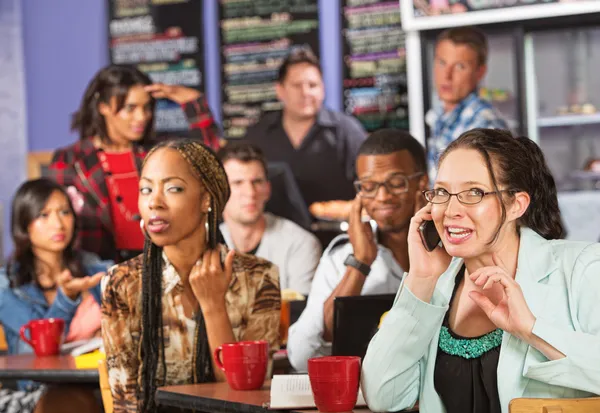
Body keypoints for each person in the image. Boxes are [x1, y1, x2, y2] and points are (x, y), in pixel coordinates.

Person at [361, 129, 600, 413]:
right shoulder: (435, 288)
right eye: (442, 192)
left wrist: (531, 329)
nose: (450, 210)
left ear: (516, 205)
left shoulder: (581, 268)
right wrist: (420, 279)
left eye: (473, 192)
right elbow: (383, 397)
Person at [101, 139, 281, 413]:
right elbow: (126, 404)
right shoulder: (122, 282)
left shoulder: (259, 277)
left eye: (173, 188)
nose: (154, 202)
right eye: (146, 189)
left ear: (206, 199)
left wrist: (213, 306)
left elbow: (248, 397)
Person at [287, 129, 429, 372]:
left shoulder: (455, 250)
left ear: (422, 184)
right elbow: (302, 357)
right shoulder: (342, 257)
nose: (382, 196)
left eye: (396, 184)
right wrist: (360, 263)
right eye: (369, 186)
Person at [49, 64, 220, 263]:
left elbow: (209, 160)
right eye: (130, 108)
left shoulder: (159, 152)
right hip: (101, 272)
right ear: (102, 106)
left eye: (146, 107)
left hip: (165, 266)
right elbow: (57, 222)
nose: (142, 117)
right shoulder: (70, 160)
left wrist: (191, 100)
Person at [0, 178, 113, 413]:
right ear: (24, 224)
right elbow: (39, 353)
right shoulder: (7, 285)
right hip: (39, 392)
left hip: (101, 381)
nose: (58, 223)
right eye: (44, 215)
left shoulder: (93, 268)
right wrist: (66, 299)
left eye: (65, 212)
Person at [243, 48, 367, 211]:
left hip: (336, 232)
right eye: (297, 85)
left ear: (323, 89)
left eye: (313, 85)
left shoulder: (347, 131)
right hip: (273, 232)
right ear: (280, 90)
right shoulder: (257, 135)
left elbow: (371, 187)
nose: (306, 93)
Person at [217, 142, 322, 295]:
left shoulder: (300, 245)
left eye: (257, 182)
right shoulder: (202, 245)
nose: (250, 193)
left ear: (268, 189)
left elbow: (303, 317)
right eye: (237, 183)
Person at [426, 26, 507, 182]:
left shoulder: (485, 125)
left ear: (480, 72)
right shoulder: (440, 117)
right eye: (442, 63)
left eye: (460, 66)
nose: (447, 75)